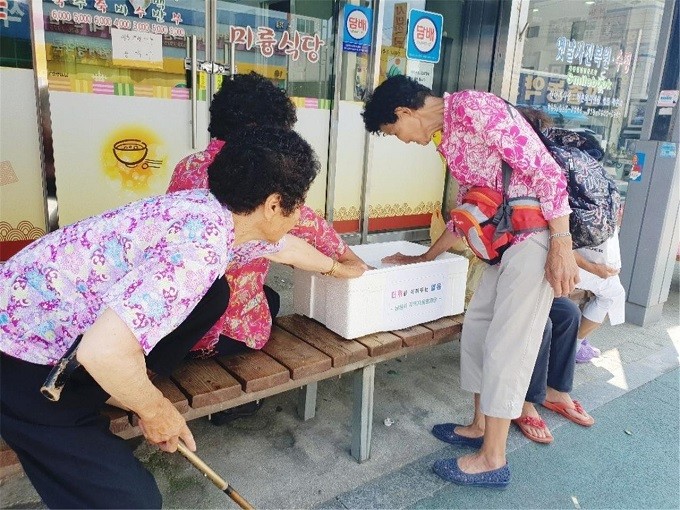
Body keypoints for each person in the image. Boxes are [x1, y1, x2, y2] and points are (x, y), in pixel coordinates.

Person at [0, 127, 365, 509]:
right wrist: (155, 410)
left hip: (68, 336)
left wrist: (345, 270)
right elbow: (102, 352)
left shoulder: (213, 210)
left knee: (213, 294)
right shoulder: (199, 250)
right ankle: (99, 397)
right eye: (299, 202)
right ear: (274, 205)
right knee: (134, 503)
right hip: (23, 362)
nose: (301, 212)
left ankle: (118, 388)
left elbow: (287, 248)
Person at [362, 75, 579, 488]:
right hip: (502, 244)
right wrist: (426, 256)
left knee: (508, 344)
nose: (401, 140)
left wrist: (561, 243)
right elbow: (471, 209)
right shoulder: (449, 137)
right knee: (478, 328)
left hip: (533, 238)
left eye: (393, 132)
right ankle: (480, 425)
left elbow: (547, 173)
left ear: (404, 112)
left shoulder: (476, 108)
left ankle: (493, 458)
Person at [168, 72, 365, 364]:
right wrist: (350, 264)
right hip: (218, 333)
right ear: (260, 132)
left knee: (266, 294)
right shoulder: (263, 180)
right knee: (269, 301)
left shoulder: (186, 166)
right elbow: (318, 239)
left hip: (171, 319)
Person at [432, 298, 594, 449]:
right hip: (505, 291)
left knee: (569, 312)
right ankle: (523, 402)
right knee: (539, 323)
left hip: (528, 289)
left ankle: (555, 389)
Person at [573, 230, 625, 362]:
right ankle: (574, 345)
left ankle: (579, 339)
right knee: (614, 294)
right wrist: (593, 268)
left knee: (612, 284)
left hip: (578, 256)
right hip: (566, 261)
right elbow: (560, 242)